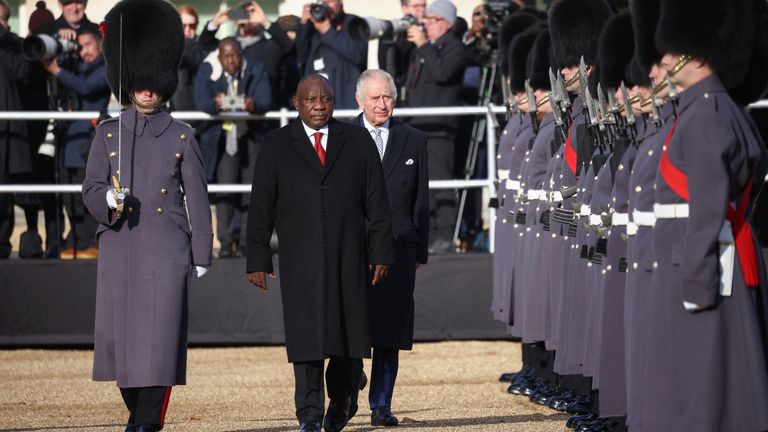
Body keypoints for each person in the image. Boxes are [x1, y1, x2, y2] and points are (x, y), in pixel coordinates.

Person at [637, 0, 768, 430]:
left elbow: (707, 208)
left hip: (698, 265)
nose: (662, 66)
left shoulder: (706, 114)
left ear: (695, 56)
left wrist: (696, 278)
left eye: (670, 55)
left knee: (703, 388)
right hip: (690, 259)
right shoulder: (703, 110)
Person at [81, 1, 212, 431]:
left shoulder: (181, 135)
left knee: (157, 348)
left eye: (154, 85)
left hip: (165, 248)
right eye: (140, 84)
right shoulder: (108, 133)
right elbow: (91, 189)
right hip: (121, 245)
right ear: (130, 82)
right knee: (123, 350)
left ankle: (145, 424)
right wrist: (110, 204)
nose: (148, 91)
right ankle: (139, 416)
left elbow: (197, 198)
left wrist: (201, 253)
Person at [246, 74, 394, 432]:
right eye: (310, 100)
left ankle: (341, 401)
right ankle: (309, 415)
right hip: (300, 261)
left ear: (334, 101)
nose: (318, 106)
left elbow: (377, 202)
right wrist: (257, 259)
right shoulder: (276, 145)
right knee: (306, 342)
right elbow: (260, 208)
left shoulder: (357, 140)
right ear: (297, 104)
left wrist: (381, 252)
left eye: (325, 99)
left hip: (349, 257)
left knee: (347, 340)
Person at [350, 69, 429, 426]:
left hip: (399, 247)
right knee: (350, 328)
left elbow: (420, 199)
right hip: (353, 248)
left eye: (388, 97)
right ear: (360, 101)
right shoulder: (342, 137)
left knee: (390, 332)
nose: (383, 105)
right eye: (376, 98)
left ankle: (381, 405)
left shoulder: (413, 139)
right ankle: (350, 383)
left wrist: (420, 250)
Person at [194, 37, 271, 257]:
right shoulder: (208, 71)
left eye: (235, 55)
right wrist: (215, 104)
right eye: (226, 56)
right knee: (225, 189)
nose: (231, 60)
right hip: (223, 136)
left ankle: (248, 242)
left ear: (241, 54)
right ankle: (226, 243)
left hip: (251, 134)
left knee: (252, 191)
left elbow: (267, 99)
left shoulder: (256, 69)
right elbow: (200, 100)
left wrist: (253, 104)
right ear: (219, 56)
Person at [403, 0, 468, 253]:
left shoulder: (455, 48)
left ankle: (444, 234)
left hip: (440, 127)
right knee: (419, 183)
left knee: (441, 181)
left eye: (432, 20)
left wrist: (423, 45)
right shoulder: (424, 48)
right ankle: (425, 231)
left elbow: (443, 73)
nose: (426, 24)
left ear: (446, 23)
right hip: (417, 125)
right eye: (426, 19)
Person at [41, 27, 110, 259]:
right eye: (79, 47)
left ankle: (92, 241)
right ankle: (79, 240)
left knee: (88, 193)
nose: (84, 51)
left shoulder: (106, 68)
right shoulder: (74, 66)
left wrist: (56, 70)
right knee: (70, 197)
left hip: (89, 141)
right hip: (68, 139)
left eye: (88, 45)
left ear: (100, 45)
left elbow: (87, 87)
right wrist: (58, 42)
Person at [199, 1, 293, 109]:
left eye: (252, 13)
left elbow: (287, 45)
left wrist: (265, 21)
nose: (248, 17)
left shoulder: (270, 47)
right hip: (228, 110)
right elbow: (203, 45)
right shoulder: (229, 47)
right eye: (243, 13)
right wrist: (215, 23)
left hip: (263, 112)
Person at [0, 0, 33, 259]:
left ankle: (1, 245)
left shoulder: (14, 44)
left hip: (8, 133)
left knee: (4, 195)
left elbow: (22, 71)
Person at [295, 0, 367, 109]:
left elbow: (358, 56)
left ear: (340, 2)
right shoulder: (312, 27)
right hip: (317, 105)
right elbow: (301, 57)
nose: (326, 7)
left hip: (346, 104)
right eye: (322, 2)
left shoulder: (354, 23)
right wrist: (304, 24)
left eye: (329, 2)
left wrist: (327, 31)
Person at [378, 0, 426, 103]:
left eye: (424, 6)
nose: (421, 10)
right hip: (400, 93)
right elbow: (385, 66)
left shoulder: (430, 31)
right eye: (416, 6)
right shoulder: (396, 32)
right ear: (404, 8)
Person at [170, 5, 210, 113]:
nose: (188, 29)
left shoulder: (203, 46)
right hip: (175, 112)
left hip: (200, 112)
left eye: (192, 25)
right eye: (183, 25)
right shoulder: (169, 47)